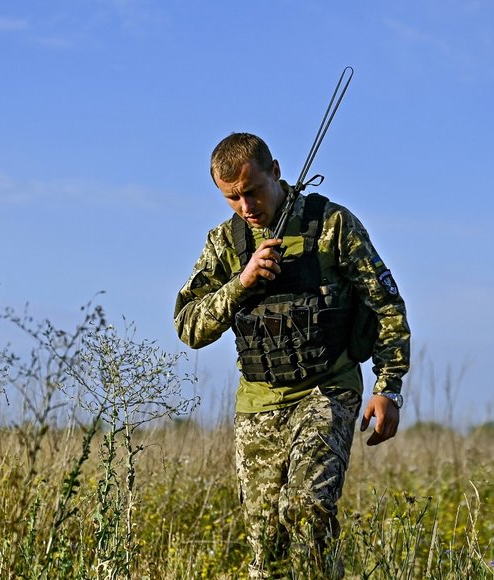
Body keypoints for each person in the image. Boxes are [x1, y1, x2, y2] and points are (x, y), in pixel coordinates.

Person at [173, 133, 411, 578]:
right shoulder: (226, 243)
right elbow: (188, 326)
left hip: (328, 388)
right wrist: (240, 284)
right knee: (268, 551)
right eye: (231, 198)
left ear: (276, 172)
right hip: (259, 404)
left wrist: (389, 387)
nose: (245, 206)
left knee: (308, 507)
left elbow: (386, 305)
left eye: (252, 191)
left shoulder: (332, 225)